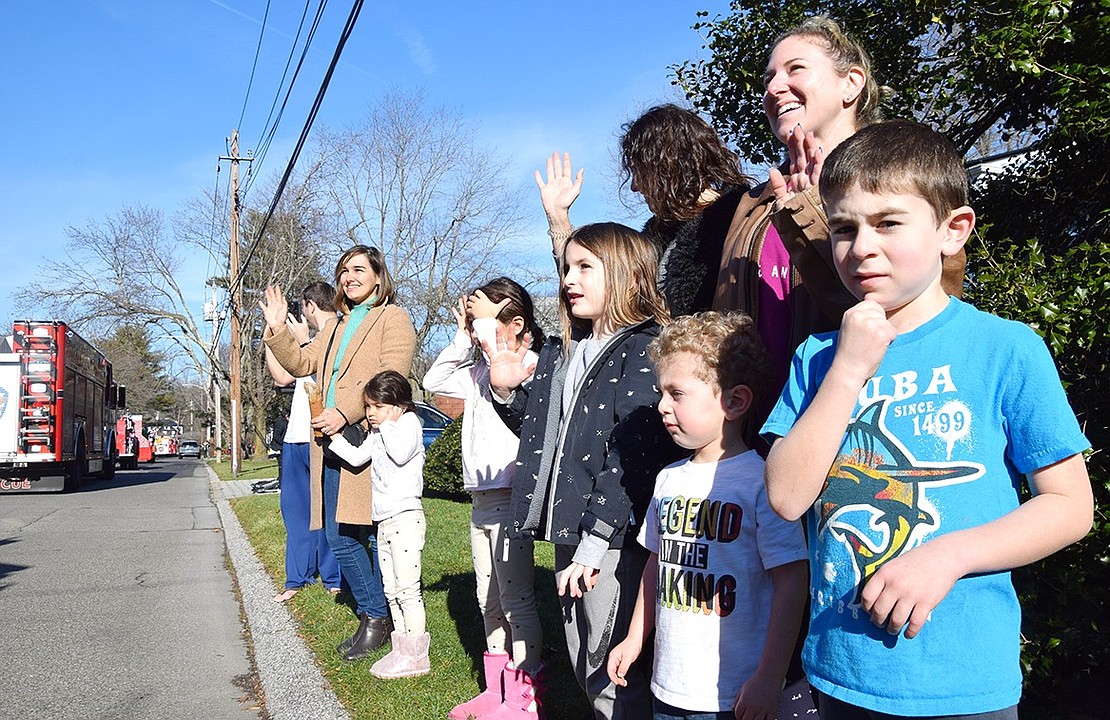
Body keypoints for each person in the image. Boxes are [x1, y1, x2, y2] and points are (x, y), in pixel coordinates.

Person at [761, 120, 1093, 718]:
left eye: (888, 222)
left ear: (952, 230)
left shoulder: (1005, 349)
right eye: (843, 228)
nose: (861, 246)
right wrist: (848, 369)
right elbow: (786, 497)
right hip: (839, 673)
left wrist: (949, 555)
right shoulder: (817, 358)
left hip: (960, 683)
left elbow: (1070, 507)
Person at [715, 16, 966, 410]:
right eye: (769, 78)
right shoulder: (753, 204)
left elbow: (929, 311)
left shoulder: (906, 181)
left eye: (795, 68)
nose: (774, 87)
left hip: (857, 426)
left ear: (851, 83)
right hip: (751, 440)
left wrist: (811, 211)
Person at [488, 223, 685, 720]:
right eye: (566, 267)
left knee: (612, 667)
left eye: (584, 267)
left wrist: (597, 540)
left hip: (611, 539)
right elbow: (543, 438)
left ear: (625, 275)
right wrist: (508, 393)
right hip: (572, 531)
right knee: (585, 659)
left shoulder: (642, 347)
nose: (568, 279)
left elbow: (633, 455)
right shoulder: (566, 351)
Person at [606, 311, 808, 719]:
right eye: (660, 392)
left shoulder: (764, 482)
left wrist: (769, 677)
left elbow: (792, 580)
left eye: (676, 394)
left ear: (734, 401)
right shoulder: (668, 480)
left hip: (736, 695)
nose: (661, 406)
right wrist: (633, 638)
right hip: (668, 687)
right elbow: (655, 563)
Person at [260, 245, 417, 662]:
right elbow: (300, 364)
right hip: (329, 441)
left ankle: (379, 617)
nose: (349, 277)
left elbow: (392, 380)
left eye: (359, 270)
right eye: (344, 271)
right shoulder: (335, 326)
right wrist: (276, 329)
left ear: (379, 278)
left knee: (356, 535)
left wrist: (345, 412)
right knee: (341, 534)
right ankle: (378, 613)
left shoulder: (394, 319)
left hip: (367, 439)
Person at [422, 277, 547, 720]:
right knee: (487, 600)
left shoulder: (529, 363)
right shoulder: (474, 373)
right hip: (480, 501)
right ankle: (497, 690)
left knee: (517, 601)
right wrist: (462, 336)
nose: (475, 329)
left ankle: (525, 697)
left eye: (483, 320)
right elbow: (432, 378)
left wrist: (494, 340)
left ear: (514, 322)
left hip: (512, 498)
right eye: (471, 323)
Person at [536, 103, 752, 316]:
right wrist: (558, 219)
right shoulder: (652, 241)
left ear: (667, 165)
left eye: (640, 171)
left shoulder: (741, 223)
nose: (635, 186)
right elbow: (597, 294)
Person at [327, 370, 429, 679]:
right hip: (383, 520)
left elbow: (400, 455)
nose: (371, 414)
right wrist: (334, 438)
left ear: (399, 404)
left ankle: (417, 655)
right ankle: (401, 648)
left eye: (378, 407)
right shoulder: (382, 429)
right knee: (391, 588)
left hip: (405, 518)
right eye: (368, 407)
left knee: (408, 590)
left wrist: (384, 426)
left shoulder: (408, 425)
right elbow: (358, 458)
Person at [264, 281, 342, 604]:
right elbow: (283, 377)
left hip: (325, 435)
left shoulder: (339, 331)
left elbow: (329, 373)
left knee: (328, 510)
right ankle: (298, 578)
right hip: (296, 436)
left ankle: (334, 578)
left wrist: (303, 341)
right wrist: (274, 332)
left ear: (310, 306)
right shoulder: (303, 341)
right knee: (295, 509)